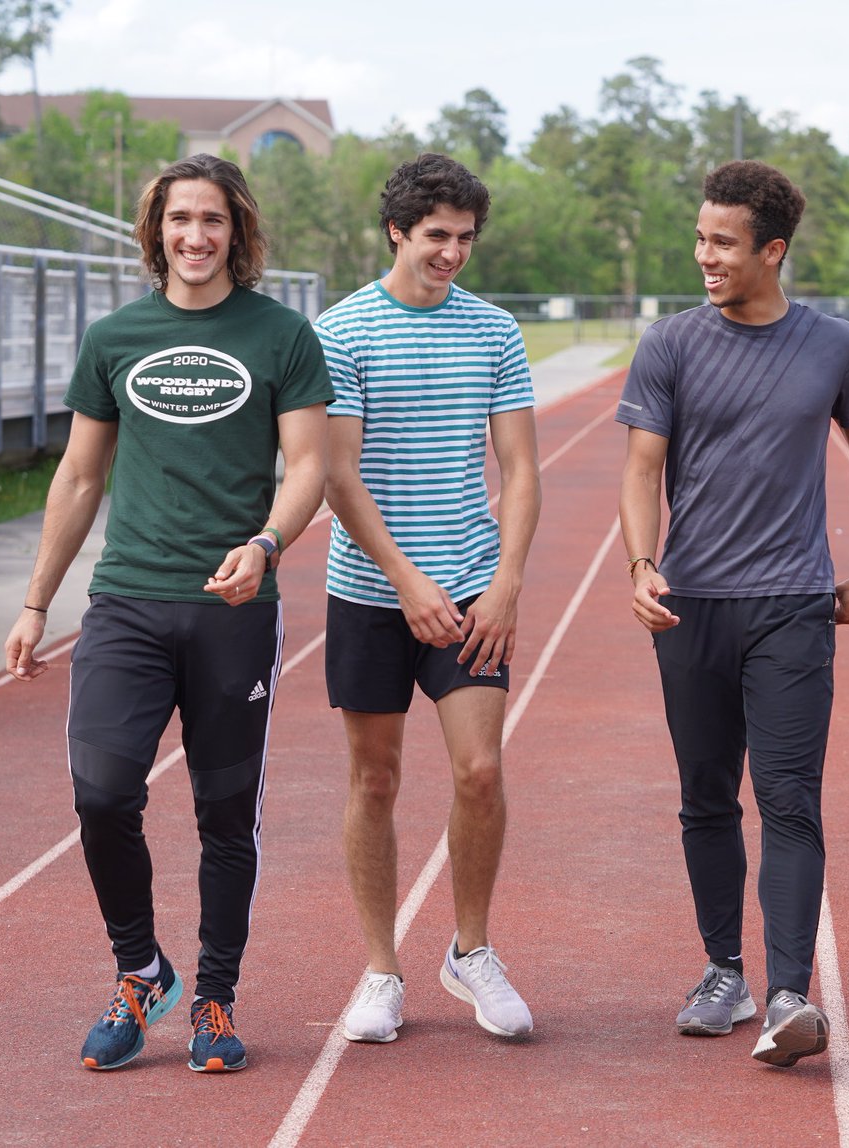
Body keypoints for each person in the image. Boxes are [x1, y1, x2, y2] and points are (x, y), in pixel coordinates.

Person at [3, 153, 333, 1073]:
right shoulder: (115, 336)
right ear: (156, 230)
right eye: (180, 219)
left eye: (213, 220)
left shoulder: (281, 336)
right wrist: (37, 602)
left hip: (234, 609)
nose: (196, 236)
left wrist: (266, 541)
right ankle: (140, 969)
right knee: (102, 794)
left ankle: (216, 999)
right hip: (126, 605)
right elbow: (77, 476)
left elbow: (307, 466)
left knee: (225, 816)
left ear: (239, 231)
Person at [617, 160, 849, 1066]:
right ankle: (721, 971)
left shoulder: (835, 346)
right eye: (700, 238)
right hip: (689, 607)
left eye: (723, 242)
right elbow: (642, 467)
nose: (705, 255)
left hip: (792, 607)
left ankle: (787, 995)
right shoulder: (670, 343)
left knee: (788, 800)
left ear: (772, 251)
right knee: (705, 800)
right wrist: (642, 562)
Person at [314, 153, 541, 1044]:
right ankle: (380, 969)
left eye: (466, 238)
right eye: (437, 236)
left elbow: (520, 470)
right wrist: (407, 583)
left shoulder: (495, 331)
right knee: (375, 779)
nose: (452, 252)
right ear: (397, 232)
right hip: (371, 593)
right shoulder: (342, 331)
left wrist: (507, 584)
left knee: (480, 772)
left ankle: (471, 952)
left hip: (474, 591)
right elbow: (338, 477)